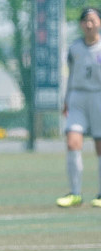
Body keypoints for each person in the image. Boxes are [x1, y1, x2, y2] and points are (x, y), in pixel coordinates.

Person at [57, 7, 101, 208]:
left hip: (98, 96)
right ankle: (75, 193)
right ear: (81, 24)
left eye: (93, 20)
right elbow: (71, 75)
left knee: (99, 146)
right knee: (72, 142)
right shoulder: (75, 48)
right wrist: (66, 99)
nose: (89, 24)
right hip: (78, 97)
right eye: (85, 21)